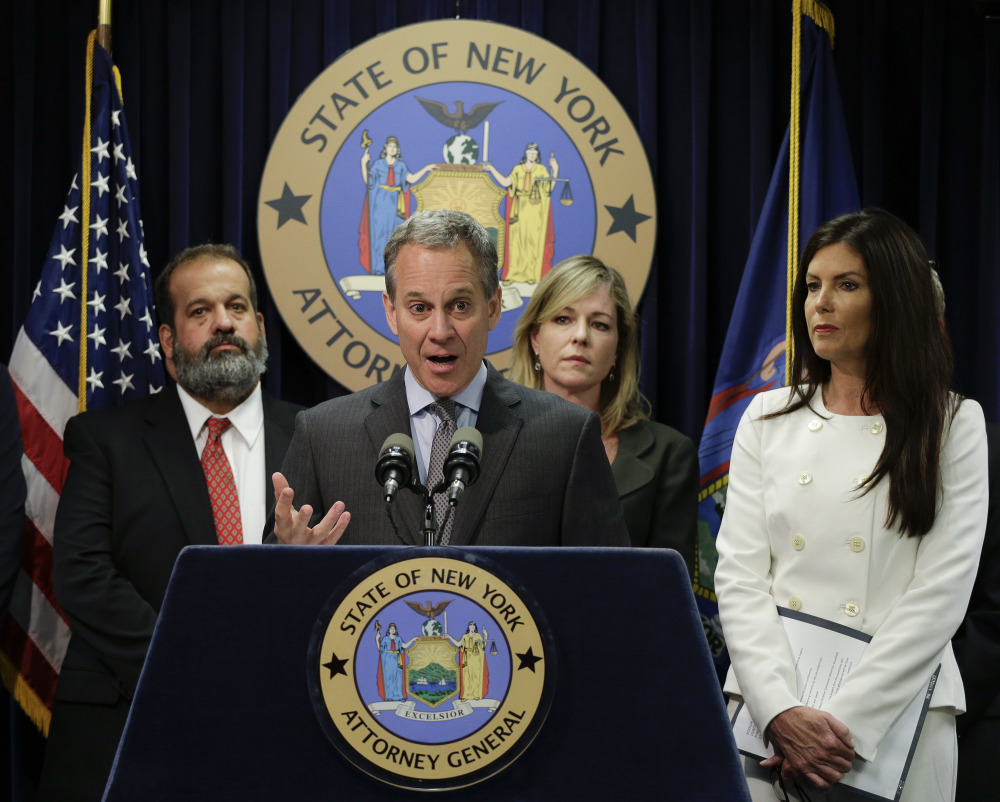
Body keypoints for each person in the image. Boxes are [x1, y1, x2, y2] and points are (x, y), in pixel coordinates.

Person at [715, 208, 988, 801]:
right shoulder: (766, 417)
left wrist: (845, 728)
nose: (821, 303)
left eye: (847, 285)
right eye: (812, 286)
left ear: (895, 299)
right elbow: (738, 577)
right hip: (769, 724)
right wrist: (782, 711)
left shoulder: (954, 424)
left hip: (895, 723)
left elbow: (942, 593)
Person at [38, 244, 302, 801]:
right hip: (128, 720)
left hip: (281, 725)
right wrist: (189, 663)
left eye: (236, 307)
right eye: (200, 311)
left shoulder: (318, 436)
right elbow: (83, 575)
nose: (223, 322)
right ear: (166, 339)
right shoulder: (105, 440)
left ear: (259, 325)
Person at [271, 209, 630, 548]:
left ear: (492, 308)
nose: (440, 330)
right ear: (391, 313)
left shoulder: (565, 434)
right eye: (419, 308)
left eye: (460, 305)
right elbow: (269, 588)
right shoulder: (323, 436)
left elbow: (605, 587)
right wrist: (293, 563)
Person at [509, 256, 698, 576]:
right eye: (563, 319)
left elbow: (667, 592)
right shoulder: (485, 440)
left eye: (599, 324)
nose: (581, 336)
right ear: (535, 339)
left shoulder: (669, 455)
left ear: (617, 351)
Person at [359, 136, 436, 275]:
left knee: (393, 236)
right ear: (386, 148)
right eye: (390, 146)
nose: (392, 149)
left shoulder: (400, 166)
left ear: (397, 150)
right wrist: (363, 164)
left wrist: (426, 169)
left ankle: (392, 270)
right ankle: (378, 269)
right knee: (379, 235)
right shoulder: (378, 165)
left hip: (395, 204)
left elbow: (411, 179)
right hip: (379, 203)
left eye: (395, 147)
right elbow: (368, 181)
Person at [484, 143, 557, 287]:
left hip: (535, 211)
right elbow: (506, 182)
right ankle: (513, 274)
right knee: (516, 243)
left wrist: (555, 171)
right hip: (519, 210)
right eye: (529, 151)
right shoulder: (518, 170)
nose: (531, 154)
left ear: (537, 155)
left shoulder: (541, 170)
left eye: (534, 152)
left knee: (532, 243)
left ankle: (531, 275)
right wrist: (491, 169)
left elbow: (548, 189)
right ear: (526, 153)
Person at [447, 622, 488, 701]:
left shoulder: (478, 636)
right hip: (467, 658)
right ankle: (466, 695)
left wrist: (485, 635)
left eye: (473, 626)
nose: (472, 627)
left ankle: (476, 694)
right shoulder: (465, 636)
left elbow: (483, 646)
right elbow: (458, 644)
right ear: (468, 627)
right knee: (466, 676)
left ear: (475, 627)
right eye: (470, 626)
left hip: (476, 658)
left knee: (475, 675)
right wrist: (450, 637)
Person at [375, 623, 414, 702]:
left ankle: (399, 696)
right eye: (391, 629)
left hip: (397, 659)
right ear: (389, 630)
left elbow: (405, 646)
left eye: (394, 629)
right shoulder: (385, 639)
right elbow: (380, 649)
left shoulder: (398, 639)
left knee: (398, 678)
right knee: (389, 678)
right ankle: (389, 696)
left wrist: (413, 640)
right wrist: (377, 639)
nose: (392, 630)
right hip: (388, 660)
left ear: (395, 630)